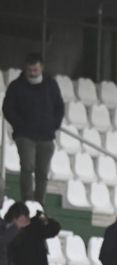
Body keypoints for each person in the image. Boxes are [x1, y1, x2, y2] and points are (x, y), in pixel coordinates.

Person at [4, 55, 65, 202]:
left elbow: (59, 107)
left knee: (42, 172)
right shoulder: (16, 86)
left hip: (46, 136)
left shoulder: (51, 85)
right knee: (27, 167)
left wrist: (54, 125)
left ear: (41, 68)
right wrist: (19, 125)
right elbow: (7, 108)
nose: (32, 73)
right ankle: (27, 200)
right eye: (29, 70)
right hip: (25, 135)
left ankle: (40, 202)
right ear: (25, 69)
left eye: (35, 70)